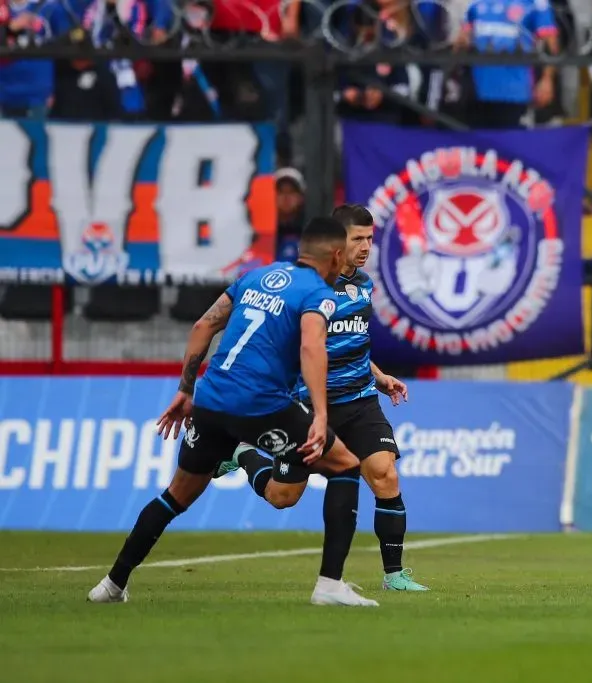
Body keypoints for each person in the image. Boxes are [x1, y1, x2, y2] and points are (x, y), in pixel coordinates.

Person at [87, 216, 360, 603]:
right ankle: (330, 586)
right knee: (345, 465)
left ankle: (112, 584)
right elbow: (312, 346)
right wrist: (320, 414)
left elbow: (203, 325)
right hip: (260, 404)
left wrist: (186, 389)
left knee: (175, 496)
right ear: (335, 256)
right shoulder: (318, 293)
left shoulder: (255, 277)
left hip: (210, 400)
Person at [226, 204, 430, 606]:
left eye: (370, 239)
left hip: (359, 401)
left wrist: (380, 376)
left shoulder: (365, 285)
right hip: (310, 406)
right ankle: (245, 453)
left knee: (384, 474)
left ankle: (395, 575)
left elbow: (352, 343)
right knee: (284, 497)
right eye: (358, 239)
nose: (366, 247)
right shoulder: (306, 286)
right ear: (337, 242)